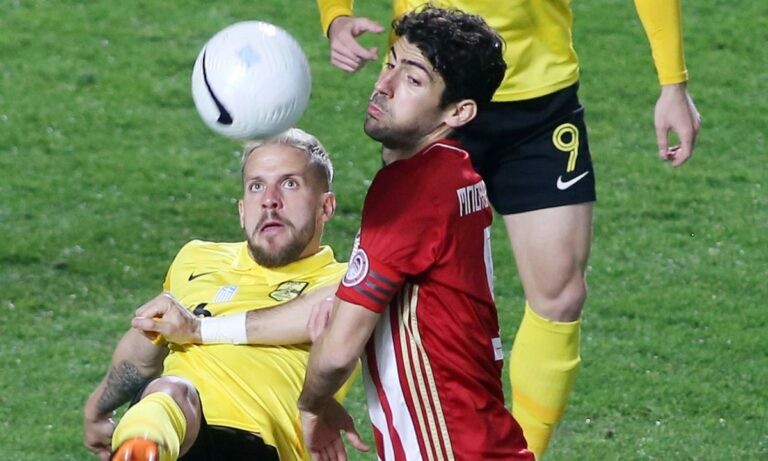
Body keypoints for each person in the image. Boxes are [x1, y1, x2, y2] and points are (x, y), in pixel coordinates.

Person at [316, 0, 702, 457]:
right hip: (433, 88)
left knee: (561, 294)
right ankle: (307, 424)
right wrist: (336, 15)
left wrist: (673, 82)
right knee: (388, 283)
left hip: (539, 97)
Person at [298, 7, 534, 460]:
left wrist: (312, 404)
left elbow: (338, 351)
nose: (384, 85)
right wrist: (206, 329)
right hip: (479, 439)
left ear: (459, 111)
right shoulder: (453, 171)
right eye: (390, 64)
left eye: (413, 80)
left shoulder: (412, 191)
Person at [83, 129, 348, 461]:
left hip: (258, 448)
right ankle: (140, 449)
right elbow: (146, 341)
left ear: (326, 206)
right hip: (177, 436)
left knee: (173, 392)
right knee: (170, 392)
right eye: (256, 186)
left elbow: (324, 312)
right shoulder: (196, 258)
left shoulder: (347, 279)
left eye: (290, 184)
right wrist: (98, 408)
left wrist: (199, 329)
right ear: (242, 210)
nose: (270, 200)